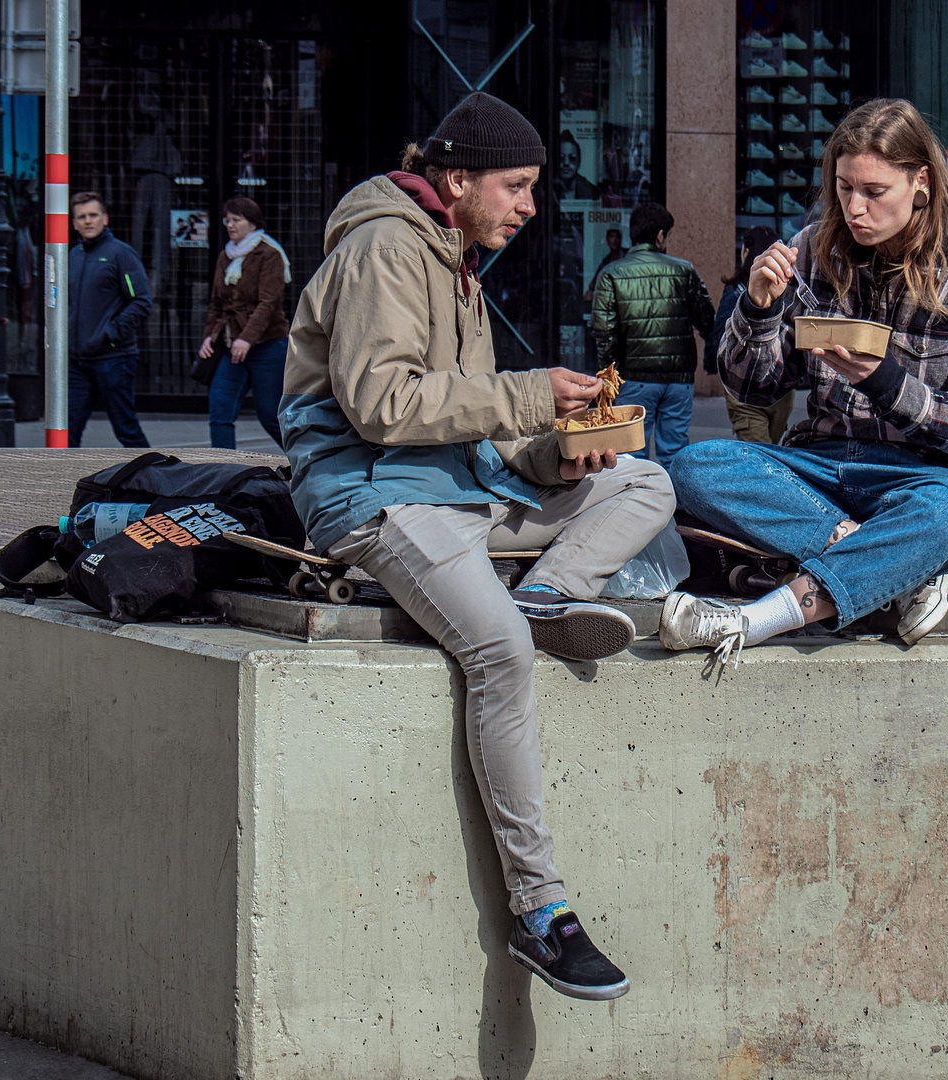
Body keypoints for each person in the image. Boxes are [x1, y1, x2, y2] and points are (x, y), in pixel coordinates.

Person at [278, 92, 674, 1001]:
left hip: (453, 488)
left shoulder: (454, 258)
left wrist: (560, 460)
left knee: (643, 481)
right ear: (457, 181)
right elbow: (383, 406)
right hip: (369, 496)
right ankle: (543, 914)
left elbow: (478, 434)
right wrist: (532, 395)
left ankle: (546, 596)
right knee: (499, 654)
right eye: (519, 186)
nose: (531, 205)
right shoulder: (384, 248)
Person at [658, 98, 948, 666]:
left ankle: (755, 619)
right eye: (844, 188)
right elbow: (753, 390)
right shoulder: (811, 253)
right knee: (692, 467)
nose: (854, 208)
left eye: (874, 192)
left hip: (928, 479)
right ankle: (898, 565)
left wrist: (889, 383)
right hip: (822, 471)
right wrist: (756, 309)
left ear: (920, 184)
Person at [591, 202, 715, 470]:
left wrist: (608, 378)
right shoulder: (685, 270)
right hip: (679, 378)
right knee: (675, 454)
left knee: (631, 455)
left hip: (634, 378)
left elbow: (604, 333)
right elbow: (707, 320)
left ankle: (639, 508)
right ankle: (678, 506)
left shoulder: (612, 273)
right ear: (660, 235)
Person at [198, 197, 291, 448]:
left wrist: (246, 339)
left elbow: (268, 303)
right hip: (232, 349)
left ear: (252, 224)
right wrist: (209, 336)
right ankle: (224, 472)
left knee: (271, 415)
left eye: (236, 220)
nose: (230, 225)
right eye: (227, 220)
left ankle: (308, 464)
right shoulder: (225, 256)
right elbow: (217, 303)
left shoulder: (269, 254)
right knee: (220, 412)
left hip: (268, 347)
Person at [67, 192, 153, 448]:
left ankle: (156, 480)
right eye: (81, 217)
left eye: (93, 215)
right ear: (74, 223)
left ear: (105, 218)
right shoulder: (72, 255)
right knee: (66, 431)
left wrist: (110, 334)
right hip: (78, 363)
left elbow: (141, 301)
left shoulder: (120, 254)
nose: (88, 221)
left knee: (126, 429)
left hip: (114, 358)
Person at [705, 225, 798, 444]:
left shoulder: (737, 290)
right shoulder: (788, 285)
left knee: (763, 458)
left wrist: (713, 362)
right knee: (766, 453)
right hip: (774, 386)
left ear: (746, 251)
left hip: (762, 383)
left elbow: (719, 335)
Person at [552, 130, 600, 202]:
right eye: (561, 158)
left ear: (579, 162)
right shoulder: (546, 189)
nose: (566, 163)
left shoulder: (592, 192)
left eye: (572, 158)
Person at [583, 227, 627, 302]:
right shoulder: (606, 261)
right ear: (607, 241)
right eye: (611, 237)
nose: (614, 240)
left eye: (617, 237)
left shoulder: (628, 255)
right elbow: (593, 283)